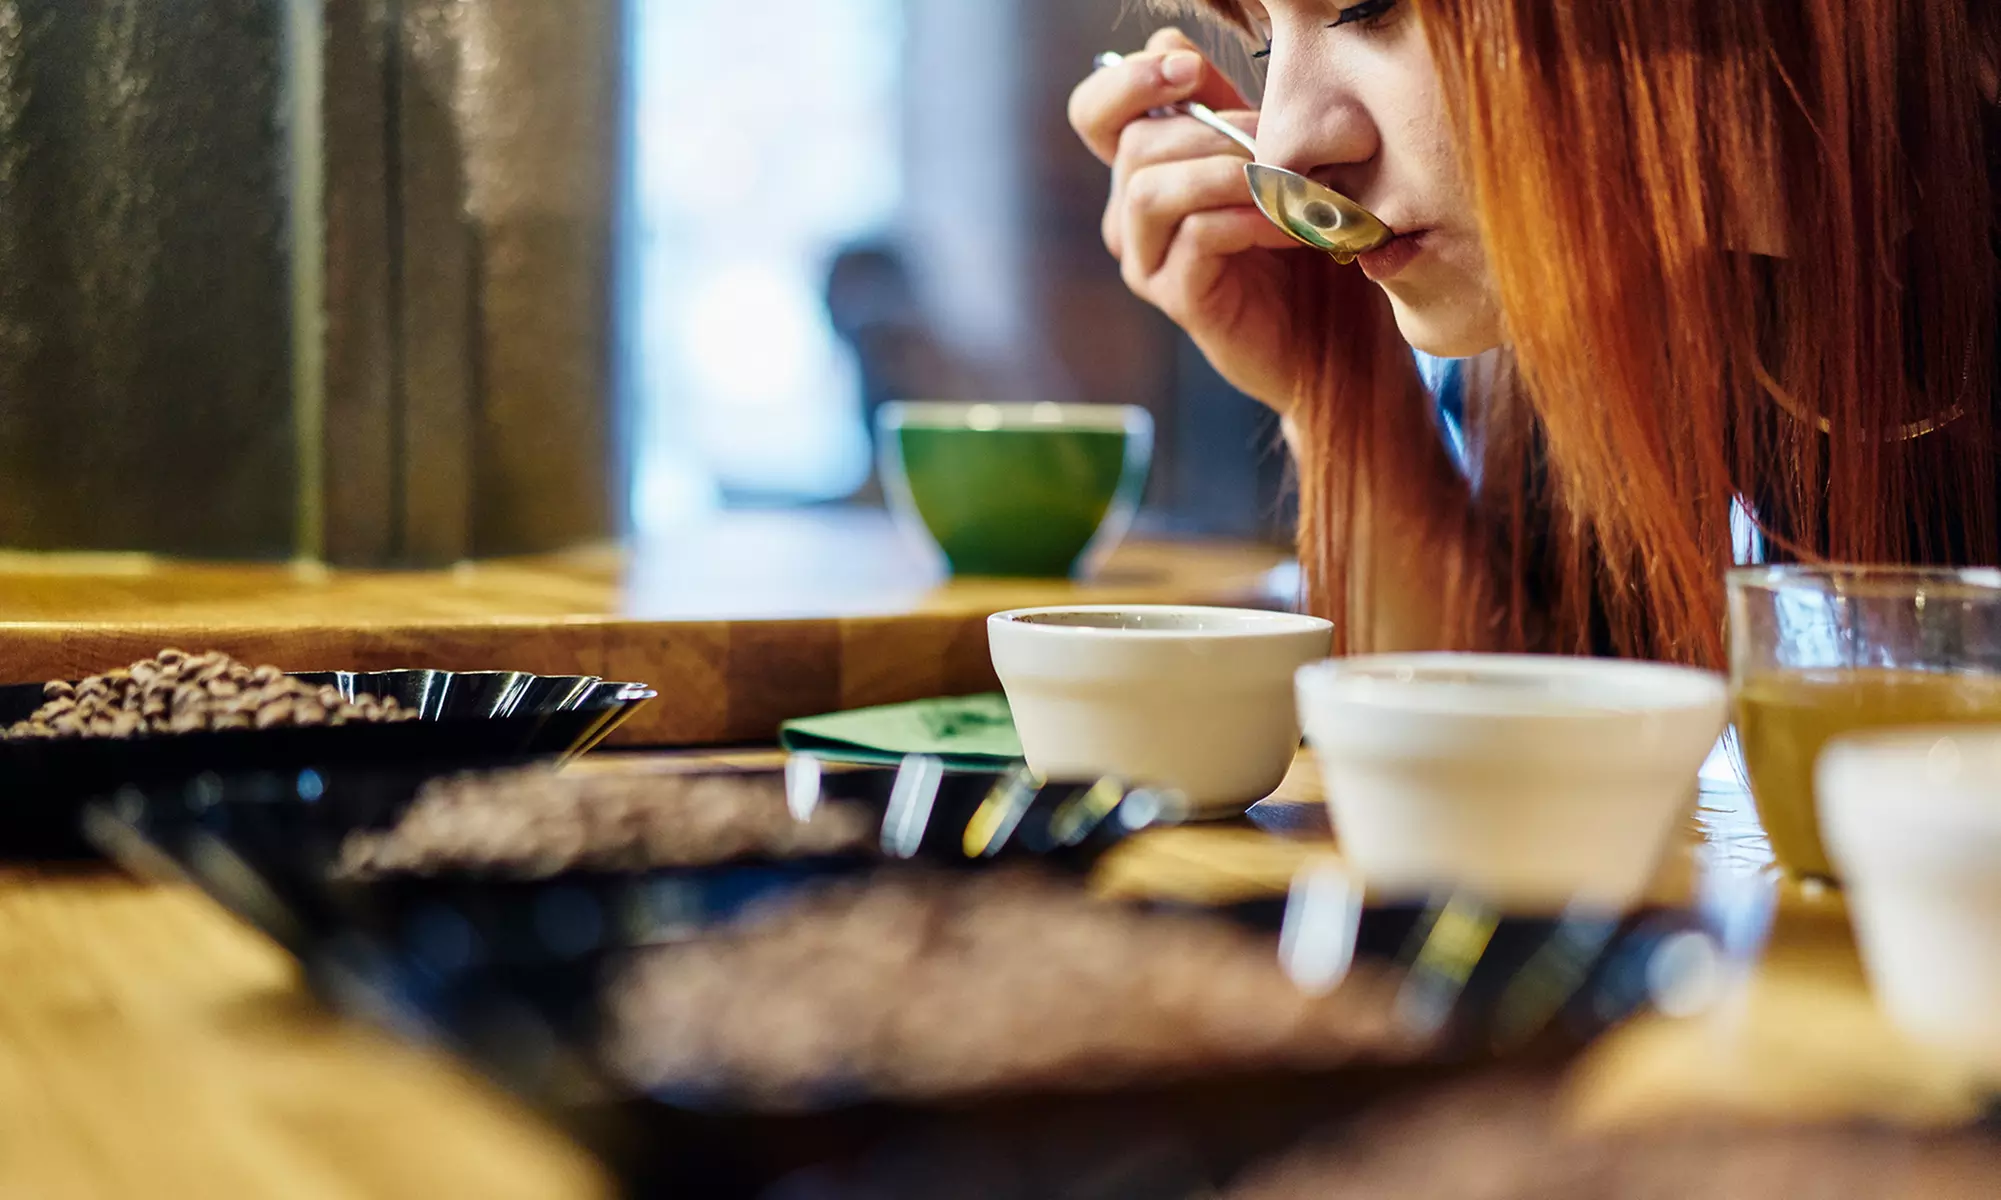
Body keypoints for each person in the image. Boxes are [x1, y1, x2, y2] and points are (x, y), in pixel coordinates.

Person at [1069, 1, 2001, 666]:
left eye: (1370, 7)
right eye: (1267, 43)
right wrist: (1334, 382)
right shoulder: (1608, 301)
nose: (1284, 149)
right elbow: (1485, 778)